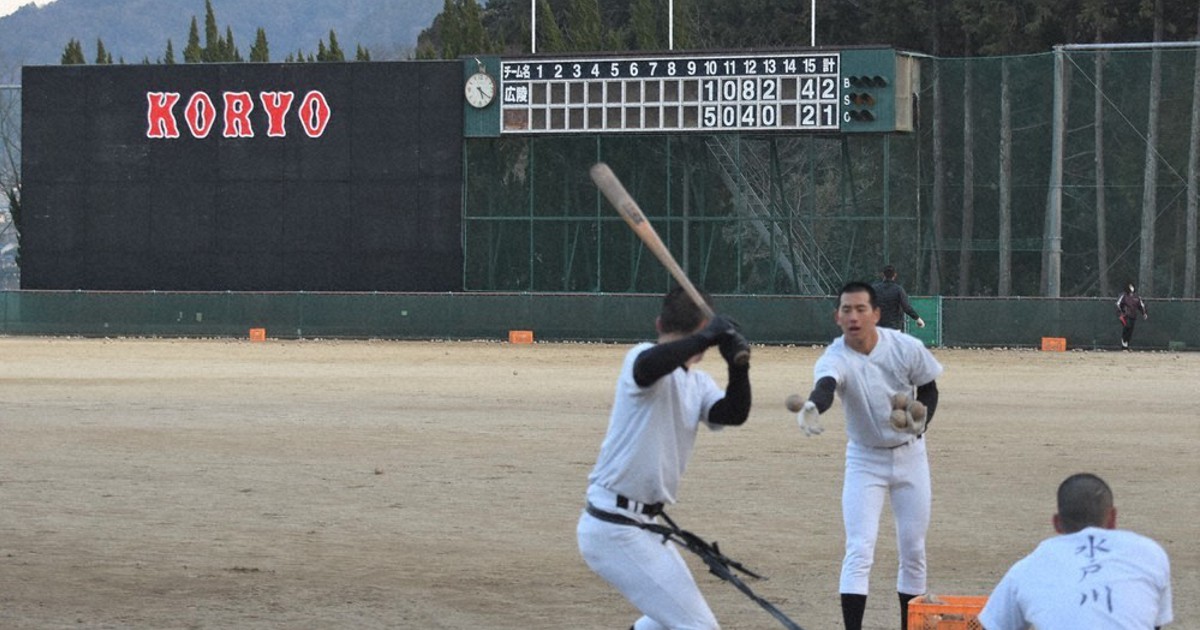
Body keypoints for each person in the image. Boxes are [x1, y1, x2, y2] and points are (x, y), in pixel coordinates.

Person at [576, 286, 752, 630]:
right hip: (613, 526)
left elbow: (733, 413)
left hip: (643, 526)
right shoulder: (642, 359)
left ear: (659, 322)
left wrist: (738, 366)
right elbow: (649, 367)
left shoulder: (697, 383)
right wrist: (707, 336)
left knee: (664, 621)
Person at [793, 281, 942, 630]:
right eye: (847, 309)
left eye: (861, 309)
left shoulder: (905, 347)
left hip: (911, 457)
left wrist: (920, 424)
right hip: (864, 461)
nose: (854, 316)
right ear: (838, 317)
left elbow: (930, 389)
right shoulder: (835, 356)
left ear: (876, 314)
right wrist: (814, 406)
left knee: (914, 550)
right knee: (859, 549)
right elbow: (826, 385)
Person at [978, 473, 1173, 630]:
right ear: (1112, 518)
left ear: (1057, 523)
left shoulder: (1028, 568)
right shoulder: (1149, 553)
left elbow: (994, 625)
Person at [871, 265, 925, 331]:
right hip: (894, 327)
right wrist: (917, 319)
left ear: (883, 275)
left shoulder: (874, 289)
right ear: (895, 275)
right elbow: (906, 307)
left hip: (878, 327)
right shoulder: (898, 290)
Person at [1116, 283, 1149, 350]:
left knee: (1130, 330)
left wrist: (1144, 313)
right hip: (1125, 316)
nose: (1131, 288)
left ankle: (1126, 345)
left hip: (1133, 316)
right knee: (1127, 327)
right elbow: (1118, 304)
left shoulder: (1137, 297)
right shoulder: (1124, 296)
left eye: (1132, 287)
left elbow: (1141, 306)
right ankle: (1124, 343)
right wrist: (1122, 312)